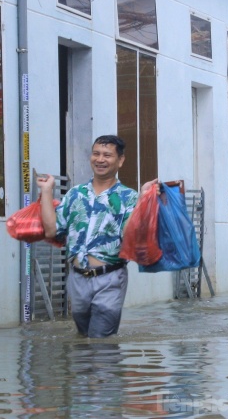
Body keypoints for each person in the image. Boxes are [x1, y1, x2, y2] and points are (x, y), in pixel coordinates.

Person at [37, 135, 155, 337]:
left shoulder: (128, 197)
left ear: (120, 160)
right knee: (83, 340)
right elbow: (51, 231)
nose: (100, 159)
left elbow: (130, 236)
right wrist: (47, 192)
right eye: (96, 153)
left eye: (107, 155)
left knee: (100, 341)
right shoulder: (75, 194)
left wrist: (143, 201)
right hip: (77, 278)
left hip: (110, 279)